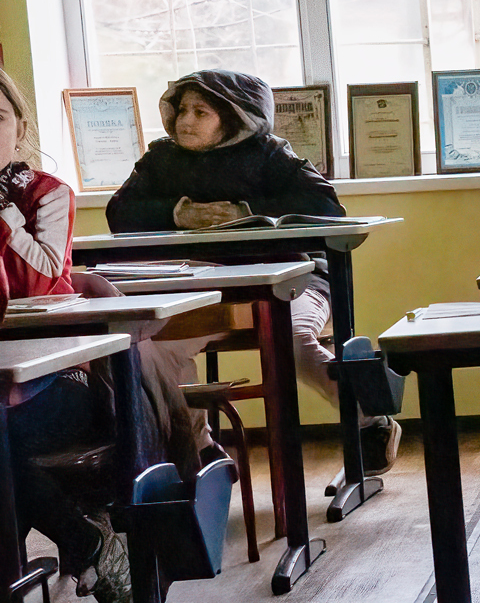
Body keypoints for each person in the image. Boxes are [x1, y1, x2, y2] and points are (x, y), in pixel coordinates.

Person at [104, 71, 402, 472]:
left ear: (233, 117)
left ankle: (370, 420)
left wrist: (247, 212)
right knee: (152, 348)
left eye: (200, 111)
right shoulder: (160, 159)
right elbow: (119, 212)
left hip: (293, 282)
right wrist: (179, 213)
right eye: (181, 110)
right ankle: (201, 449)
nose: (184, 121)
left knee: (290, 338)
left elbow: (328, 209)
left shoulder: (273, 154)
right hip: (204, 290)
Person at [0, 67, 136, 603]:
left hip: (58, 377)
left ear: (20, 127)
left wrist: (4, 219)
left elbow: (44, 277)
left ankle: (81, 550)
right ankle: (85, 542)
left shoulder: (46, 192)